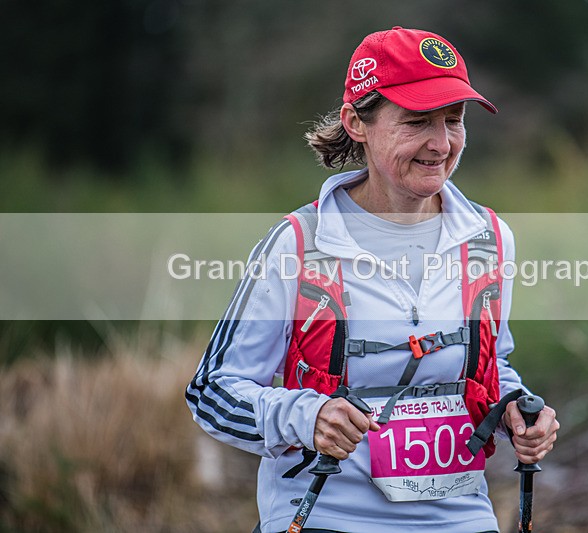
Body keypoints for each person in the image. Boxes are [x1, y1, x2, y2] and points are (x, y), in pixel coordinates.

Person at [186, 26, 559, 533]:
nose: (441, 143)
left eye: (454, 120)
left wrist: (516, 408)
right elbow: (212, 391)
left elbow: (491, 367)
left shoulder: (489, 239)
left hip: (460, 518)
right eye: (417, 122)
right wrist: (305, 416)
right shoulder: (298, 242)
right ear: (356, 123)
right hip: (324, 518)